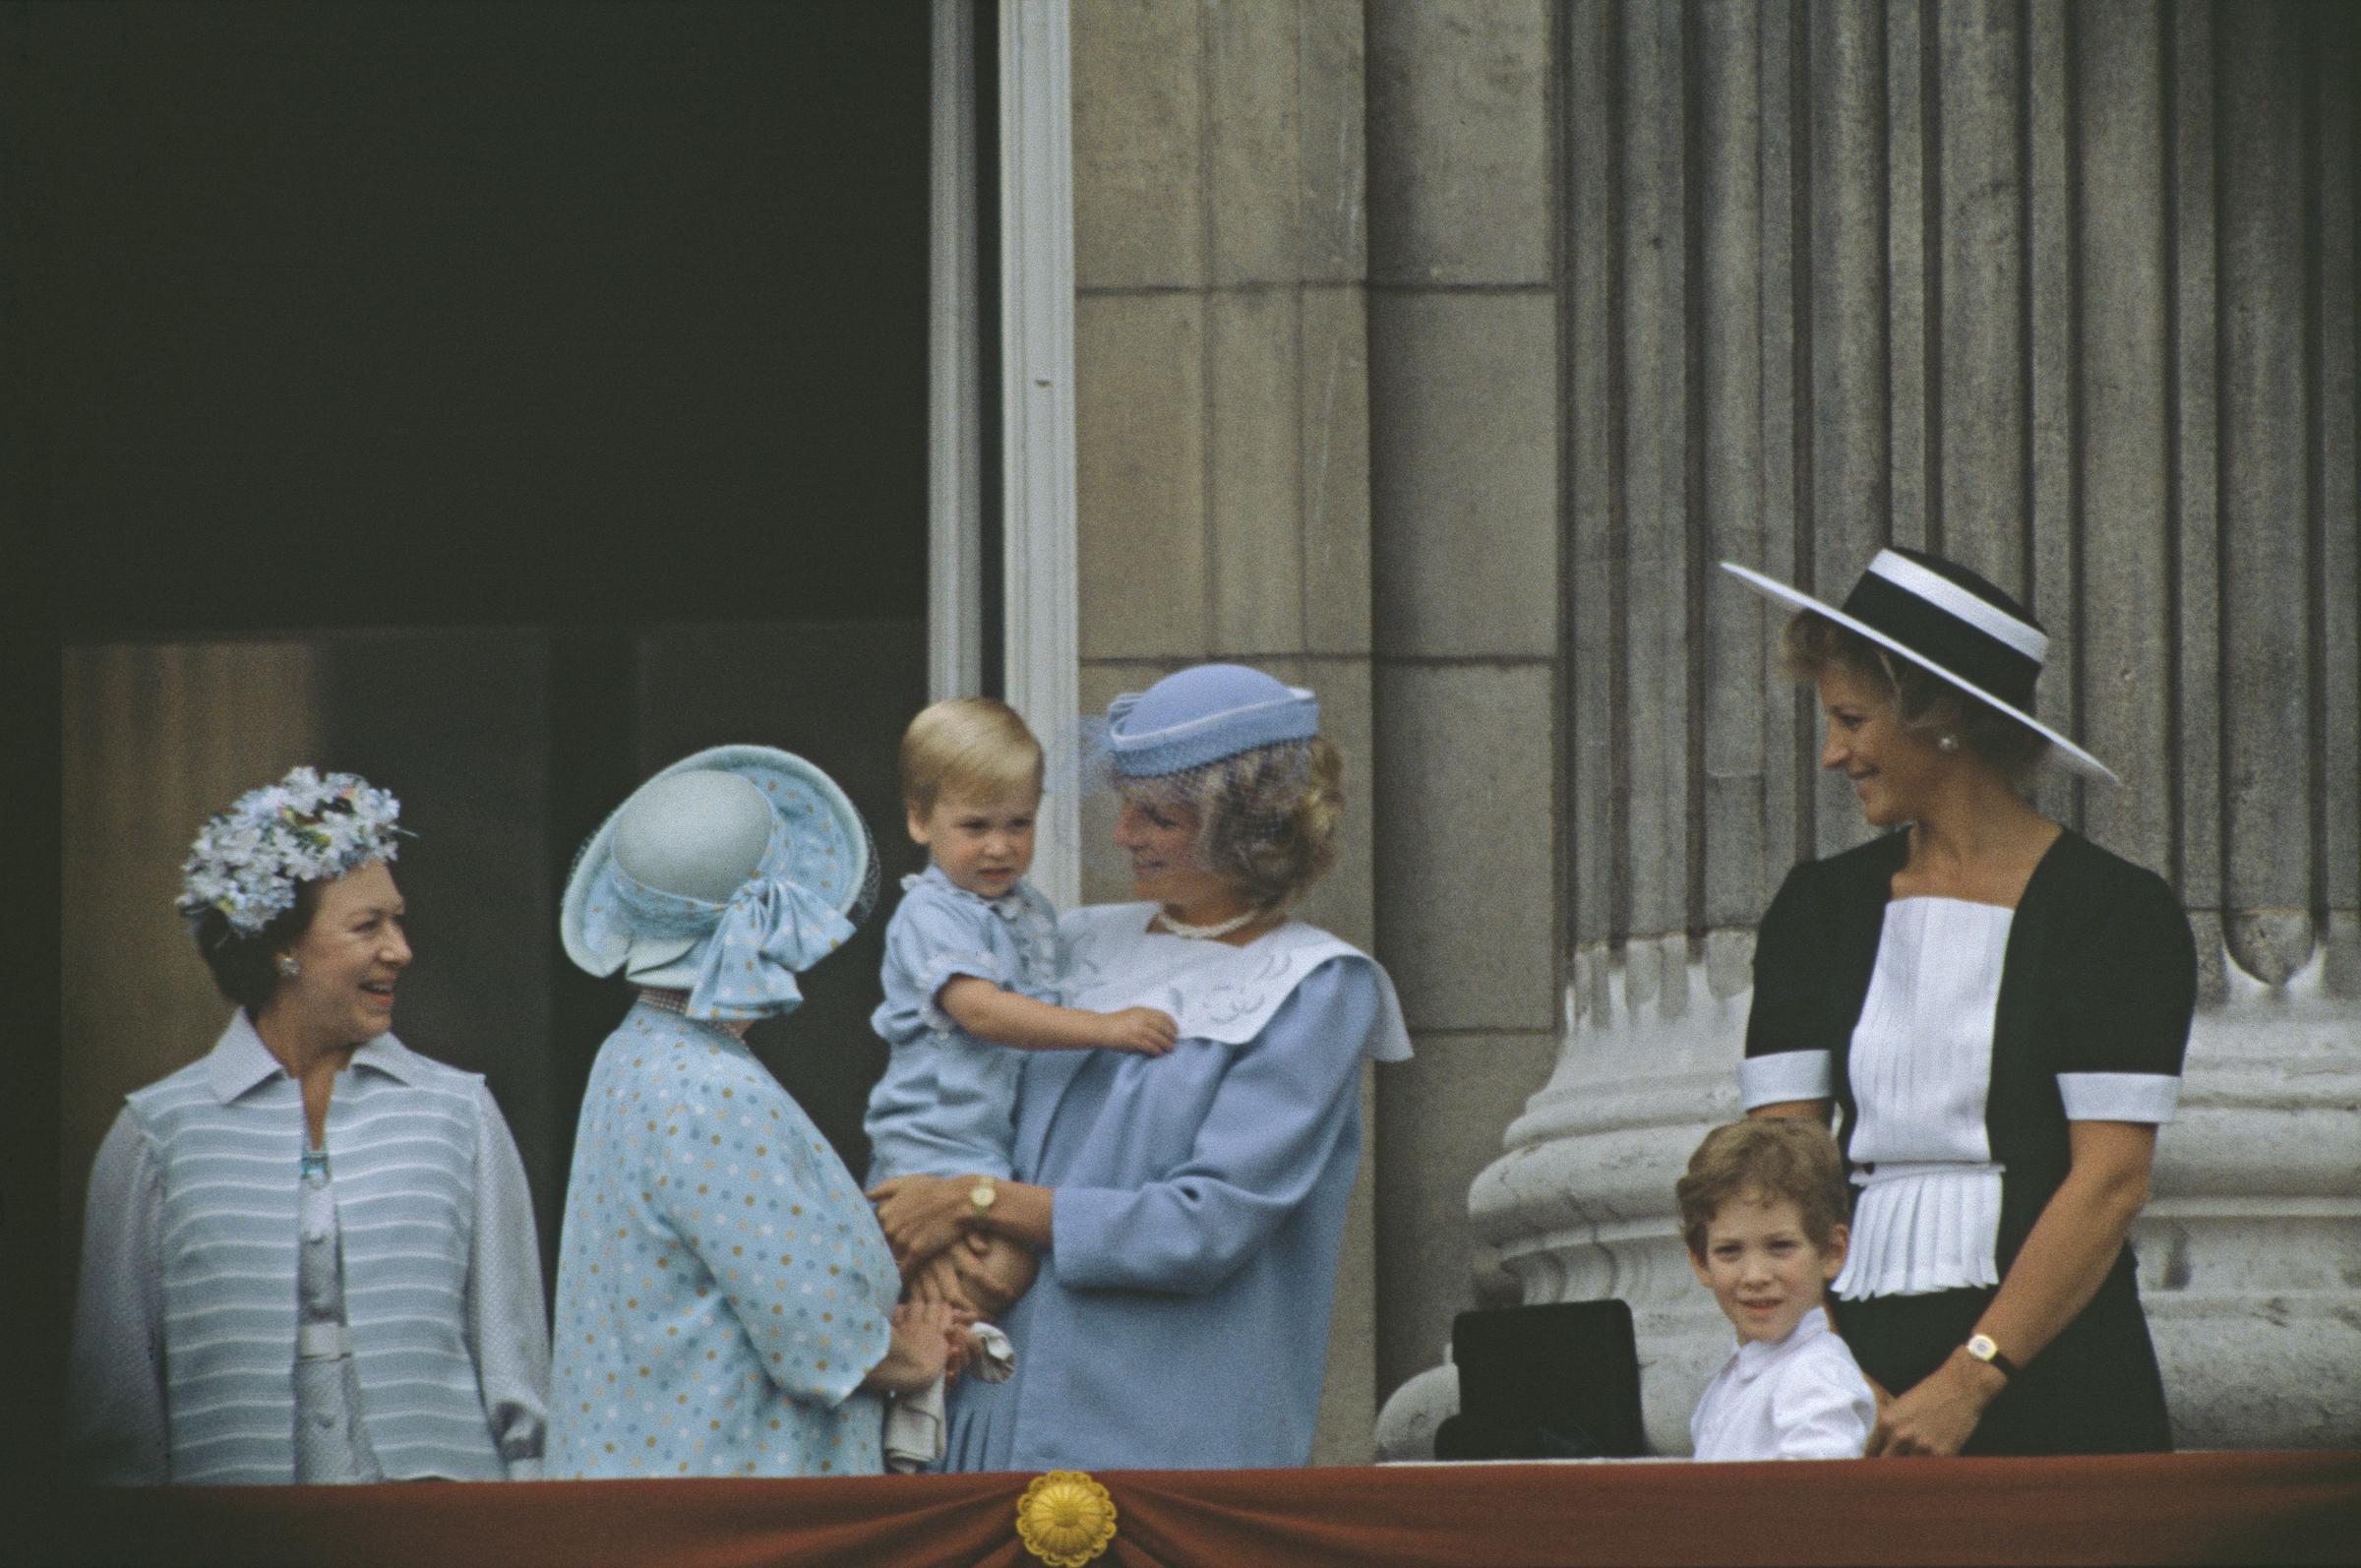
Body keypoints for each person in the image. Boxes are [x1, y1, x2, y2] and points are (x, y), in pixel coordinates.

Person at [868, 664, 1414, 1471]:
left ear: (1245, 829)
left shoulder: (1316, 987)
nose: (1123, 835)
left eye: (1156, 816)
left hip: (1160, 1434)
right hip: (988, 1408)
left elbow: (1201, 1226)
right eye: (1125, 806)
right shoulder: (1079, 938)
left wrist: (979, 1201)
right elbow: (968, 1095)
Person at [1723, 548, 2197, 1457]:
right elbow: (1775, 1171)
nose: (1833, 754)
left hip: (2055, 1365)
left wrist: (1969, 1381)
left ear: (1941, 717)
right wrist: (1821, 1366)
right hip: (1845, 1369)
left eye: (1851, 719)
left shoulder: (2114, 913)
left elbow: (2109, 1181)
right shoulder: (1815, 911)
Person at [67, 767, 548, 1485]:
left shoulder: (460, 1114)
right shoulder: (156, 1135)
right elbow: (117, 1420)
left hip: (443, 1531)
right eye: (367, 926)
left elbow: (519, 1374)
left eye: (398, 919)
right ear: (280, 947)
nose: (401, 949)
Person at [547, 746, 966, 1478]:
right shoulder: (706, 1086)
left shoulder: (633, 1053)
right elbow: (816, 1335)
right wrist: (915, 1351)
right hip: (725, 1501)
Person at [865, 695, 1176, 1317]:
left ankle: (937, 1350)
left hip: (991, 1148)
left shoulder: (1029, 909)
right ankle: (923, 1358)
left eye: (1018, 824)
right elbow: (982, 1011)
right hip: (932, 1142)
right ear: (920, 822)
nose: (1000, 847)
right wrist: (1106, 1029)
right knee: (988, 1270)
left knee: (996, 1275)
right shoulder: (931, 912)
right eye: (975, 827)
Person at [1677, 1118, 1875, 1461]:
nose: (1755, 1276)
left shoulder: (1814, 1376)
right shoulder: (1733, 1379)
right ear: (1700, 1262)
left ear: (1832, 1252)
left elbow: (1818, 1497)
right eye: (1729, 1251)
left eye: (1780, 1246)